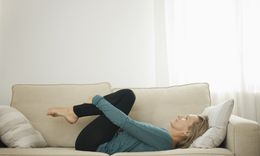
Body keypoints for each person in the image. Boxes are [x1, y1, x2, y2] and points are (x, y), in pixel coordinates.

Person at [47, 89, 208, 154]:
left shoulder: (165, 139)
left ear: (187, 132)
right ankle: (74, 111)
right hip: (94, 140)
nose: (181, 115)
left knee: (127, 96)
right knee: (126, 96)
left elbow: (127, 124)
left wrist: (97, 100)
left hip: (92, 143)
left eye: (186, 118)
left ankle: (74, 111)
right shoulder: (164, 137)